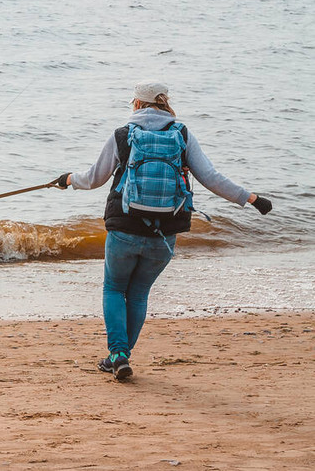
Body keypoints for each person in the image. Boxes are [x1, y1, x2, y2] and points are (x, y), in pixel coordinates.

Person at [55, 80, 273, 381]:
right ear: (164, 103)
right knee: (139, 293)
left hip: (124, 227)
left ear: (137, 104)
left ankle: (118, 354)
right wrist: (250, 199)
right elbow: (210, 176)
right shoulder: (181, 134)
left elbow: (94, 178)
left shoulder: (122, 135)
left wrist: (68, 180)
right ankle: (119, 357)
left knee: (115, 289)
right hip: (164, 233)